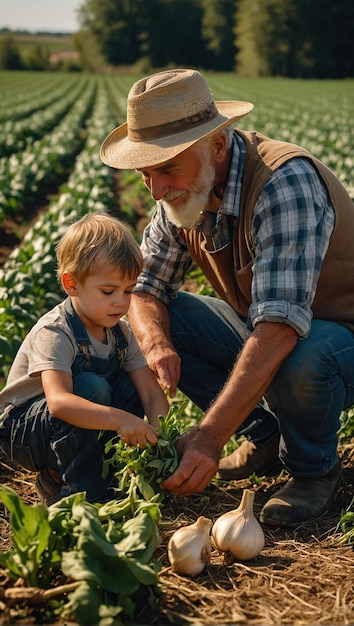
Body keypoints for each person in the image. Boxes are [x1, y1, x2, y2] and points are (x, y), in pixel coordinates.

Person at [100, 68, 354, 528]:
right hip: (269, 325)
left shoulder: (283, 183)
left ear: (217, 145)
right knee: (151, 317)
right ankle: (265, 434)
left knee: (306, 354)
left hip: (340, 337)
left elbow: (279, 329)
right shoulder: (180, 195)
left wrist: (208, 437)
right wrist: (156, 344)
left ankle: (314, 470)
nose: (156, 190)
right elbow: (145, 289)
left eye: (167, 168)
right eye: (146, 174)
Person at [0, 212, 169, 505]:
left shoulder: (121, 334)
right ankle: (72, 490)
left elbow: (151, 393)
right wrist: (121, 420)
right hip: (25, 431)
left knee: (129, 387)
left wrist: (161, 438)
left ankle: (101, 474)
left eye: (128, 290)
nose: (121, 301)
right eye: (108, 291)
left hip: (72, 421)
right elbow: (60, 403)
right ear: (72, 284)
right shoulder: (55, 331)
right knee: (92, 388)